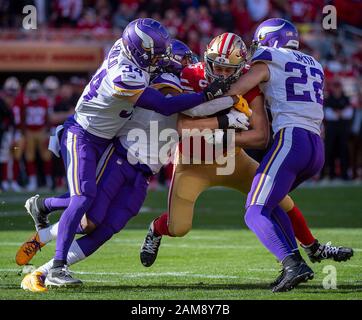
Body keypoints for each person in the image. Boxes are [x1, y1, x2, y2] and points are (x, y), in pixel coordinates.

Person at [20, 18, 232, 287]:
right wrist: (211, 96)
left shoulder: (131, 51)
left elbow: (161, 68)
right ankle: (56, 267)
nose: (168, 61)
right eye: (158, 56)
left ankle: (44, 212)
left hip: (123, 151)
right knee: (85, 199)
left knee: (102, 224)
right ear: (141, 52)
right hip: (85, 135)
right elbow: (168, 107)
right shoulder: (127, 74)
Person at [140, 33, 353, 285]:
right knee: (179, 228)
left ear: (241, 68)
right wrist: (223, 122)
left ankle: (311, 248)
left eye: (227, 69)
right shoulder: (189, 76)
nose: (219, 73)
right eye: (215, 66)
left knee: (279, 200)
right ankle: (156, 228)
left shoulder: (248, 80)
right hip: (192, 163)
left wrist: (224, 136)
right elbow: (181, 127)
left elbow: (261, 136)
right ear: (205, 58)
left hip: (233, 159)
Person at [222, 18, 353, 292]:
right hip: (315, 147)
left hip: (291, 140)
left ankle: (294, 263)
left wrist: (212, 94)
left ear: (270, 40)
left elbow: (236, 89)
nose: (255, 47)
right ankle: (293, 264)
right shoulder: (313, 63)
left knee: (254, 211)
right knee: (273, 204)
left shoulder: (268, 57)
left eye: (259, 42)